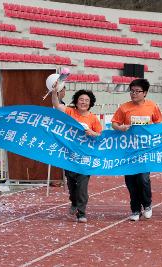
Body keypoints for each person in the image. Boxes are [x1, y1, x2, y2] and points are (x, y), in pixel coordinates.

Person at [111, 78, 162, 221]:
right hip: (128, 150)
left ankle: (147, 204)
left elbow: (159, 124)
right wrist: (120, 128)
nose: (134, 94)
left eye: (137, 91)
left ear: (145, 93)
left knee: (143, 179)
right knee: (131, 181)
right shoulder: (124, 107)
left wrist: (153, 132)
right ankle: (135, 209)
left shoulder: (152, 107)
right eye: (132, 91)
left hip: (145, 150)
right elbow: (114, 123)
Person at [52, 86, 102, 223]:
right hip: (69, 156)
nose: (83, 102)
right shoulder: (69, 112)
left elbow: (100, 137)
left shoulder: (93, 119)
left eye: (86, 100)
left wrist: (93, 134)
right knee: (72, 183)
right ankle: (74, 202)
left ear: (90, 103)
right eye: (81, 99)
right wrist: (55, 91)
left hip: (85, 157)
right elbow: (56, 105)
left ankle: (81, 212)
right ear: (76, 101)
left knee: (82, 185)